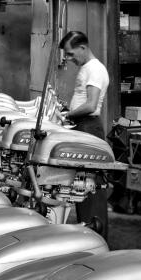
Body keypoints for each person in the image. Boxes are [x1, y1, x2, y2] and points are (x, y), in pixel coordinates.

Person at [58, 30, 111, 238]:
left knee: (90, 187)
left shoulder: (95, 70)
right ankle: (86, 233)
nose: (70, 59)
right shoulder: (88, 68)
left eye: (71, 54)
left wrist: (68, 114)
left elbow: (90, 105)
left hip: (88, 127)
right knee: (81, 186)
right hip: (82, 126)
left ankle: (96, 236)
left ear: (83, 47)